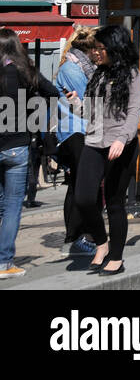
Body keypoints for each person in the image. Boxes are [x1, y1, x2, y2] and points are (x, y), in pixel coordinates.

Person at [74, 25, 140, 276]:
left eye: (101, 48)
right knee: (83, 198)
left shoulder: (132, 74)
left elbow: (134, 111)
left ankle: (116, 258)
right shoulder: (98, 74)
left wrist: (122, 139)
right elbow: (89, 112)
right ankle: (101, 244)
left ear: (115, 47)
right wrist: (74, 103)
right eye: (94, 49)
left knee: (114, 203)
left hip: (120, 145)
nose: (96, 53)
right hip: (94, 141)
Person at [0, 28, 64, 279]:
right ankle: (4, 263)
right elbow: (52, 92)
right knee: (13, 207)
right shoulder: (25, 72)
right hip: (16, 146)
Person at [54, 28, 99, 258]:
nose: (97, 54)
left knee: (76, 185)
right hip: (74, 132)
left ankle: (78, 237)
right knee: (80, 186)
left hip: (79, 131)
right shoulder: (72, 69)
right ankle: (74, 239)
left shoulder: (78, 66)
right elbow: (90, 102)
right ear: (87, 49)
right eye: (95, 49)